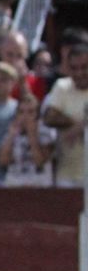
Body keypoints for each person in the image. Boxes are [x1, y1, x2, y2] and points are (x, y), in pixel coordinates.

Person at [42, 43, 88, 188]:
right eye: (74, 68)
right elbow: (49, 117)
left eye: (84, 67)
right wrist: (77, 124)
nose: (79, 73)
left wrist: (80, 128)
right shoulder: (62, 86)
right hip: (67, 176)